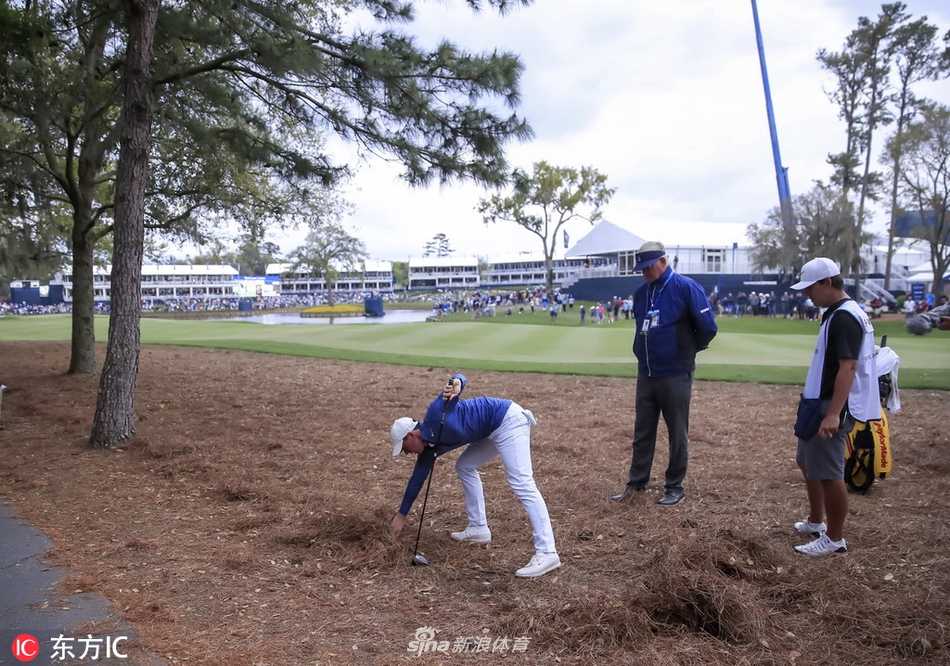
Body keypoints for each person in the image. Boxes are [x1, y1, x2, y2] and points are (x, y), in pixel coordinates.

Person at [389, 373, 560, 578]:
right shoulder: (427, 450)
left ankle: (547, 552)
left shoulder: (435, 414)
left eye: (405, 449)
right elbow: (417, 480)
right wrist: (401, 515)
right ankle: (478, 528)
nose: (407, 453)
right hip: (488, 431)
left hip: (507, 420)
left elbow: (457, 379)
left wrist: (457, 383)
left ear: (410, 435)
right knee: (465, 466)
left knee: (522, 483)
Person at [611, 241, 718, 506]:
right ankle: (637, 483)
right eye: (641, 268)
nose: (644, 272)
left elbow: (708, 327)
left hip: (675, 372)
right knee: (642, 430)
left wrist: (688, 350)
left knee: (677, 431)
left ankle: (674, 485)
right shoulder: (641, 293)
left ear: (663, 261)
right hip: (647, 371)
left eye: (648, 267)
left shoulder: (685, 287)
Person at [789, 258, 880, 557]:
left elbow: (848, 367)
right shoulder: (838, 313)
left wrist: (832, 413)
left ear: (827, 283)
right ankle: (817, 521)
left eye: (811, 288)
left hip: (831, 404)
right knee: (807, 460)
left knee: (829, 472)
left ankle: (834, 538)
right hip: (819, 399)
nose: (807, 295)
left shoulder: (844, 317)